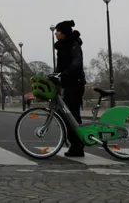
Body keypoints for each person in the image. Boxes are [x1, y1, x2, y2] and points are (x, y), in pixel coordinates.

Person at [53, 19, 86, 157]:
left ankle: (78, 145)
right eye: (55, 31)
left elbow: (77, 63)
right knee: (66, 115)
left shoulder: (74, 45)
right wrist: (53, 76)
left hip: (76, 84)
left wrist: (64, 74)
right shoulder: (61, 47)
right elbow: (60, 67)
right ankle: (76, 144)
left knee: (72, 115)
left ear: (64, 32)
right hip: (68, 83)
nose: (56, 33)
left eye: (58, 31)